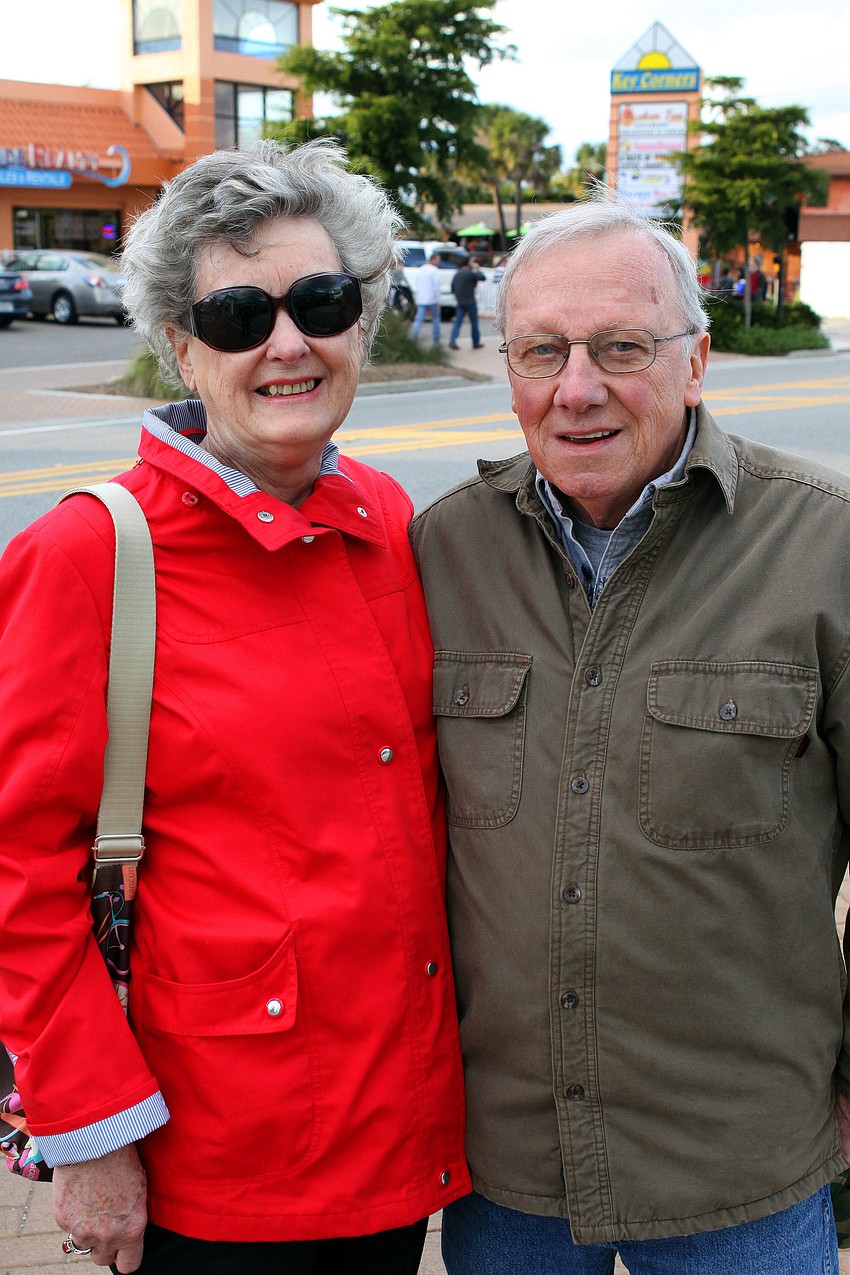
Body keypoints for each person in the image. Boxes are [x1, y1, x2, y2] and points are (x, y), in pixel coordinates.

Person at [0, 139, 469, 1274]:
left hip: (397, 1130)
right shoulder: (91, 553)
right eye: (236, 316)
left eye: (318, 300)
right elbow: (17, 871)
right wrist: (91, 1138)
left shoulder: (386, 515)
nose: (286, 343)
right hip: (218, 1160)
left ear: (362, 319)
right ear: (179, 346)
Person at [410, 192, 850, 1273]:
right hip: (506, 1171)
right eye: (540, 351)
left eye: (620, 347)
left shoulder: (826, 546)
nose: (576, 389)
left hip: (737, 1167)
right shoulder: (441, 553)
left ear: (694, 360)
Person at [448, 259, 486, 351]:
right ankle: (475, 343)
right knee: (474, 323)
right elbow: (483, 277)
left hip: (460, 302)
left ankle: (452, 340)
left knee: (457, 323)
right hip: (470, 302)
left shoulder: (457, 274)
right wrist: (477, 268)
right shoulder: (470, 273)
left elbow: (452, 288)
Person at [410, 251, 442, 344]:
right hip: (432, 299)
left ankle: (414, 337)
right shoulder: (434, 270)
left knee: (419, 318)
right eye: (438, 260)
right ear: (433, 260)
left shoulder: (421, 269)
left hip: (421, 298)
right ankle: (436, 339)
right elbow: (436, 286)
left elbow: (417, 283)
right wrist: (438, 299)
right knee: (435, 318)